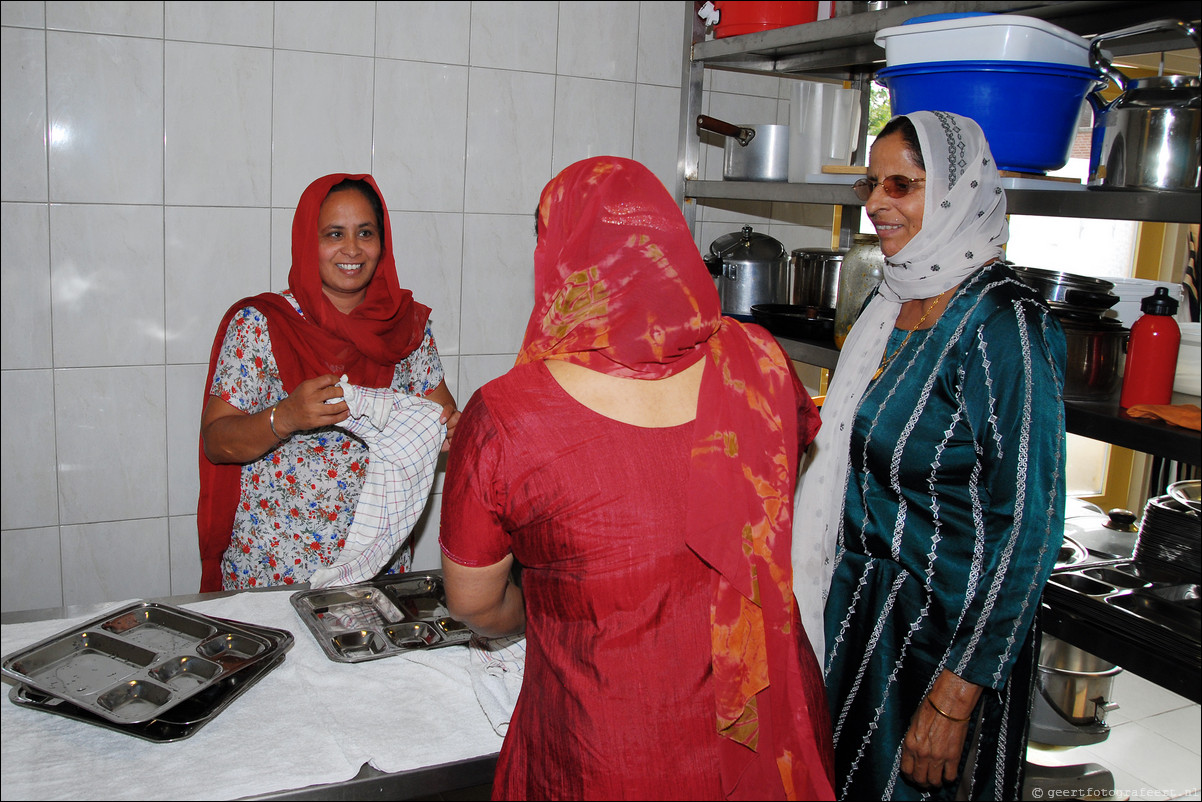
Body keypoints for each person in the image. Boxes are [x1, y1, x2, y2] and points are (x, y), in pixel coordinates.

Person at [438, 156, 836, 801]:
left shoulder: (508, 417)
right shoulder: (761, 365)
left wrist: (546, 610)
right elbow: (780, 470)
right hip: (768, 730)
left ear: (559, 255)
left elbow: (474, 604)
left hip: (611, 754)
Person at [792, 111, 1067, 800]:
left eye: (903, 185)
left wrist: (954, 697)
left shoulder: (1003, 322)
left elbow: (1028, 529)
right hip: (862, 621)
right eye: (872, 184)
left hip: (938, 643)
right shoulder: (894, 298)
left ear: (956, 193)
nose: (877, 203)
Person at [197, 173, 459, 591]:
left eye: (366, 233)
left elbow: (445, 418)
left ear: (381, 243)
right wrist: (285, 417)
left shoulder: (406, 331)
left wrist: (452, 431)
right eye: (334, 234)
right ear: (308, 241)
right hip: (273, 569)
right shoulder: (262, 325)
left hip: (377, 569)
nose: (352, 249)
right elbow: (216, 440)